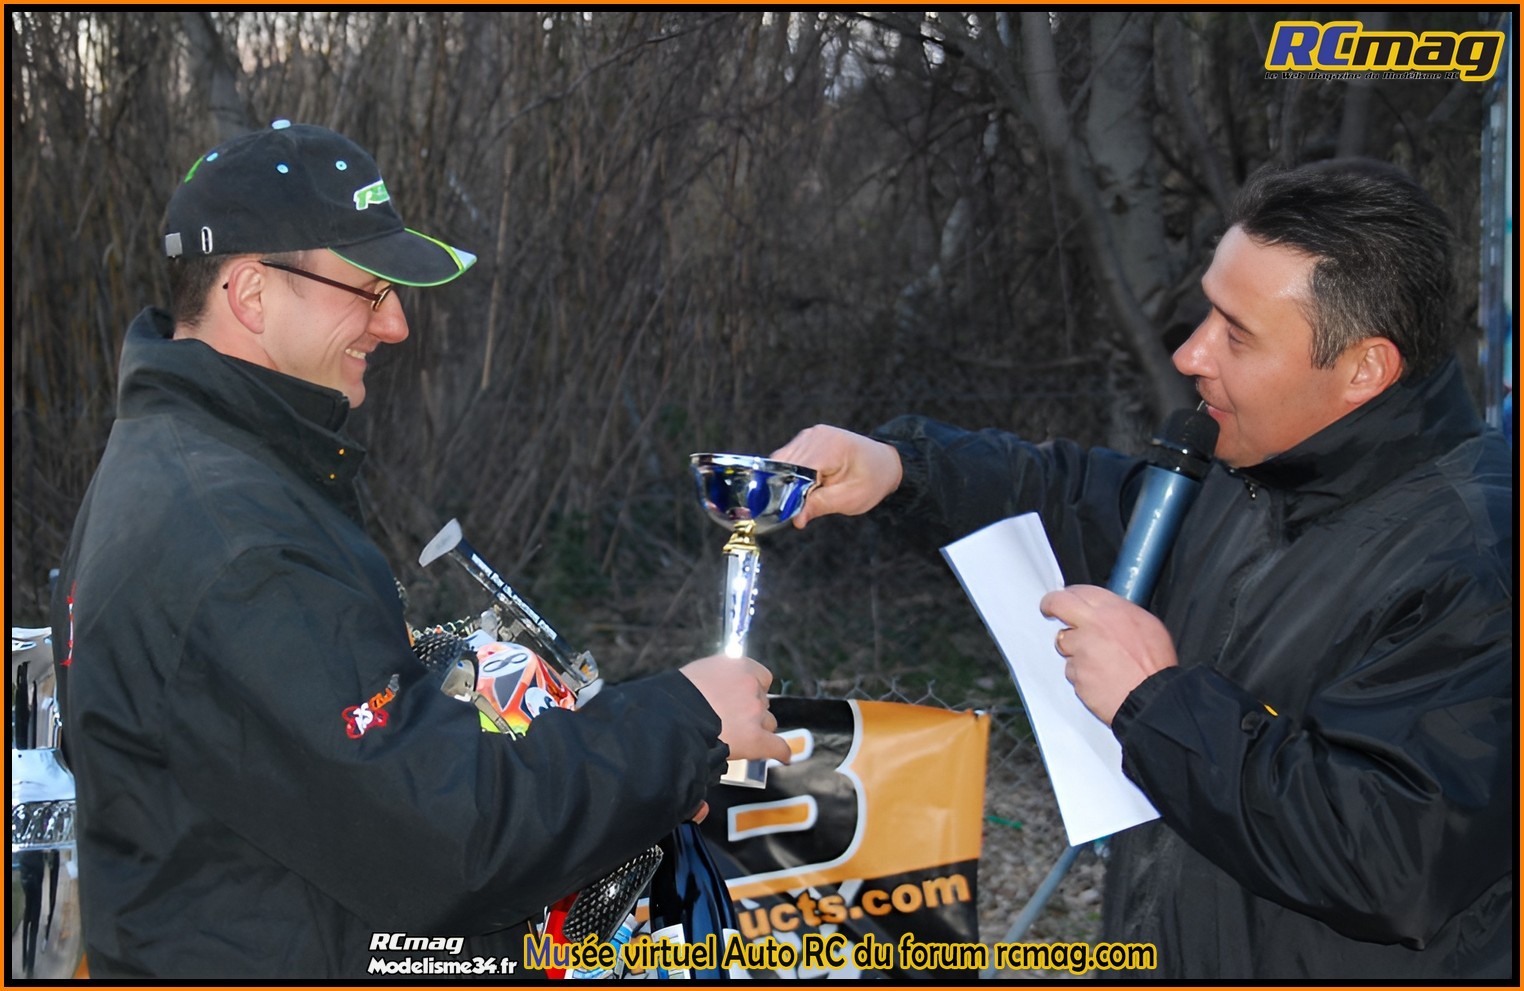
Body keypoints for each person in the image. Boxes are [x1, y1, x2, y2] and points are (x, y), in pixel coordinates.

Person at [50, 120, 791, 979]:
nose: (396, 323)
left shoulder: (183, 461)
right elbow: (447, 837)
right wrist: (680, 722)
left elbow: (316, 769)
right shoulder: (233, 536)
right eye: (369, 290)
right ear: (252, 293)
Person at [770, 159, 1513, 980]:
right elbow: (1074, 500)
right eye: (1206, 312)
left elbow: (1391, 857)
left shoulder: (1478, 560)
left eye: (1237, 334)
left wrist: (1156, 701)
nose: (1192, 353)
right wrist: (901, 468)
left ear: (1365, 368)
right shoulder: (1258, 471)